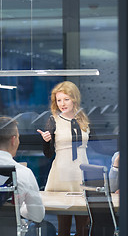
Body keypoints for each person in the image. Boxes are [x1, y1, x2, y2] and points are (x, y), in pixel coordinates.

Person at [0, 116, 55, 235]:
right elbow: (37, 216)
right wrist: (19, 208)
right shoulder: (23, 173)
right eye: (18, 137)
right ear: (14, 140)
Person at [37, 81, 90, 236]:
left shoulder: (83, 119)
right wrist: (46, 141)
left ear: (74, 99)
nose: (62, 104)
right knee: (64, 225)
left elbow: (96, 145)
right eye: (58, 100)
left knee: (84, 225)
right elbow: (48, 154)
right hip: (62, 173)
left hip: (82, 172)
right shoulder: (53, 120)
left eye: (66, 99)